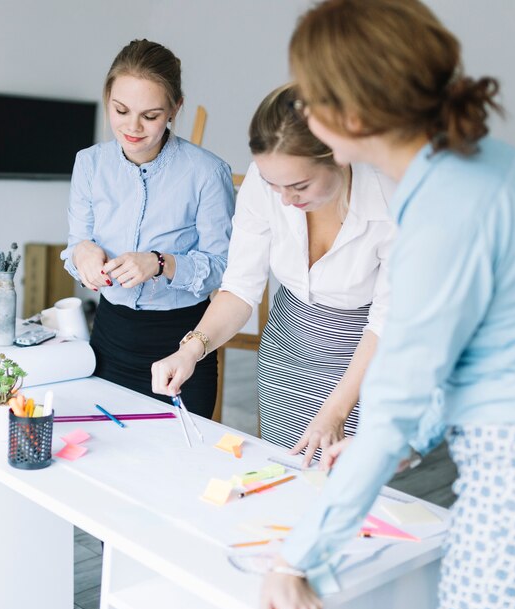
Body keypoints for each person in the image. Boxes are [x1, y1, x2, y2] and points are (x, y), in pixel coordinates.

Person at [260, 1, 515, 609]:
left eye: (312, 97)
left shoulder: (443, 210)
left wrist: (294, 561)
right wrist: (396, 440)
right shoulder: (496, 166)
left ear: (354, 113)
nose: (302, 112)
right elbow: (475, 348)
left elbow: (394, 401)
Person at [152, 83, 397, 463]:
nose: (285, 199)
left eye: (299, 185)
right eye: (273, 184)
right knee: (285, 479)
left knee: (353, 486)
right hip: (287, 347)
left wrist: (335, 412)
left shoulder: (392, 201)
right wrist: (190, 351)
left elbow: (386, 322)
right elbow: (239, 288)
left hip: (364, 358)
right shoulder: (265, 180)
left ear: (341, 156)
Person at [61, 39, 234, 418]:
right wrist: (82, 253)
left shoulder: (207, 172)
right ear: (107, 97)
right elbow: (77, 244)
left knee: (179, 467)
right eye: (121, 110)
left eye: (150, 116)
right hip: (108, 337)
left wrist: (160, 263)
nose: (132, 127)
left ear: (175, 109)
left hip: (182, 344)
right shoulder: (89, 164)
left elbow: (222, 268)